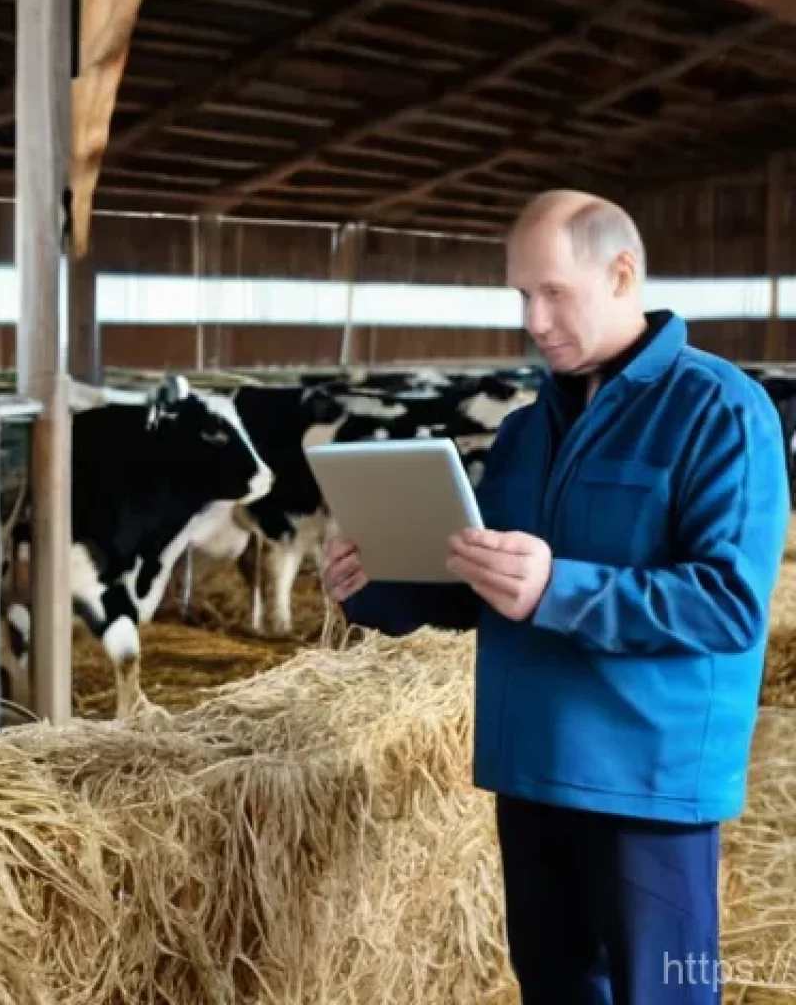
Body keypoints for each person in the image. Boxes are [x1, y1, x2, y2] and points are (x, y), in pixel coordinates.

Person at [322, 189, 790, 1005]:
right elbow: (484, 583)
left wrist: (556, 587)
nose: (533, 320)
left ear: (621, 274)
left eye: (552, 293)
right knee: (554, 986)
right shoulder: (524, 430)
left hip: (647, 781)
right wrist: (376, 586)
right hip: (531, 768)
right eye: (521, 296)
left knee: (663, 994)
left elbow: (728, 604)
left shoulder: (719, 411)